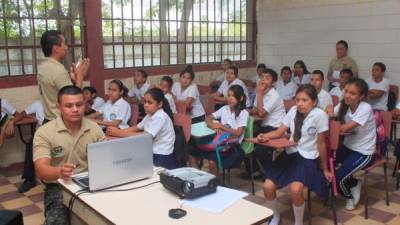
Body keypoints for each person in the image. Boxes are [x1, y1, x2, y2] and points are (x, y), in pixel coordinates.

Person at [258, 84, 331, 225]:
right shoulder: (292, 110)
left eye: (305, 100)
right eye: (297, 100)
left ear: (314, 102)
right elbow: (279, 132)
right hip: (290, 154)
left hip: (308, 157)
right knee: (267, 186)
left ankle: (298, 222)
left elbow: (321, 144)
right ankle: (275, 216)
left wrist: (325, 168)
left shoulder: (320, 115)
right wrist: (265, 136)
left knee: (296, 189)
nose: (300, 104)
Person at [33, 85, 105, 225]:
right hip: (59, 185)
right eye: (68, 106)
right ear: (59, 107)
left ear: (85, 105)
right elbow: (41, 170)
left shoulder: (94, 129)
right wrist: (59, 171)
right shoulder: (45, 132)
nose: (75, 110)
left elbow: (106, 160)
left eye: (79, 105)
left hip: (90, 181)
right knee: (57, 221)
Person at [107, 88, 176, 169]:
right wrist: (118, 131)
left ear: (160, 104)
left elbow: (145, 136)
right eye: (145, 102)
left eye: (150, 102)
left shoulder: (160, 117)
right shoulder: (150, 115)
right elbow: (137, 127)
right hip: (151, 151)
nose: (146, 105)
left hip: (161, 156)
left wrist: (118, 133)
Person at [334, 78, 376, 210]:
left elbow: (344, 128)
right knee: (323, 164)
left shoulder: (365, 107)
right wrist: (328, 109)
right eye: (346, 91)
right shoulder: (343, 105)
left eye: (352, 93)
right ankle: (354, 182)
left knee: (338, 179)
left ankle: (349, 197)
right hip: (348, 147)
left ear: (361, 96)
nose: (347, 95)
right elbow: (328, 114)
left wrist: (330, 125)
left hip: (364, 152)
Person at [189, 85, 247, 176]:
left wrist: (222, 126)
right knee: (192, 153)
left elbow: (238, 132)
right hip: (218, 141)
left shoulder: (243, 113)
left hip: (231, 146)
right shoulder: (225, 109)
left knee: (212, 162)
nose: (230, 98)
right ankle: (197, 178)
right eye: (229, 95)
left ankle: (215, 183)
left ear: (241, 98)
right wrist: (213, 126)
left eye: (233, 96)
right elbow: (208, 117)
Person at [37, 30, 90, 122]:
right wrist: (80, 77)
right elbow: (74, 99)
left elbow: (58, 90)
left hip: (49, 120)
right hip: (61, 123)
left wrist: (73, 80)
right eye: (64, 44)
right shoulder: (58, 71)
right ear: (56, 48)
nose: (67, 47)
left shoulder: (43, 66)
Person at [250, 68, 285, 174]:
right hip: (264, 126)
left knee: (260, 150)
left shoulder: (274, 95)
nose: (263, 80)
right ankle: (254, 171)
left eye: (267, 78)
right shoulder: (261, 91)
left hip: (276, 128)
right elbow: (255, 110)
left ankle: (271, 174)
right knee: (246, 139)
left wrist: (259, 94)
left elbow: (261, 113)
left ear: (273, 82)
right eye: (262, 77)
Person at [17, 100, 45, 193]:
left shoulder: (62, 101)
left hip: (58, 132)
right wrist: (11, 122)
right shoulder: (38, 103)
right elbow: (21, 114)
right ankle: (29, 179)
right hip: (42, 134)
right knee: (30, 145)